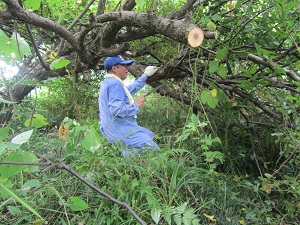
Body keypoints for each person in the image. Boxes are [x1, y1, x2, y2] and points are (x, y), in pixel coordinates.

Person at [99, 55, 159, 156]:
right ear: (114, 68)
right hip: (119, 130)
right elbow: (116, 110)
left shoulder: (108, 82)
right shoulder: (114, 84)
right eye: (124, 66)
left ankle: (129, 161)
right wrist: (136, 105)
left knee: (149, 134)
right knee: (154, 150)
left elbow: (129, 90)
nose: (127, 68)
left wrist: (145, 75)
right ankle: (136, 163)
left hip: (111, 130)